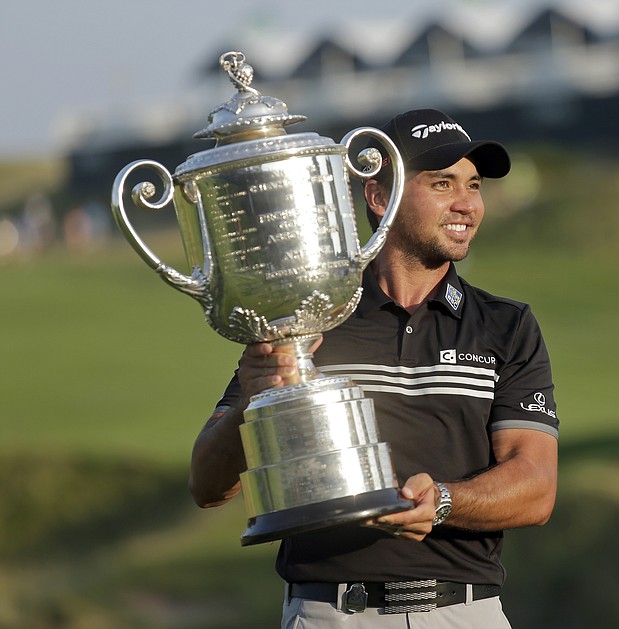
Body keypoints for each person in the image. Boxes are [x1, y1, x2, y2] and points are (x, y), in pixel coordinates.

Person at [189, 108, 559, 628]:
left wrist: (444, 502)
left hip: (464, 614)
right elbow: (208, 486)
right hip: (330, 615)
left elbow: (536, 486)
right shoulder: (307, 319)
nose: (466, 204)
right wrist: (252, 400)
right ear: (379, 197)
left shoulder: (506, 325)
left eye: (473, 186)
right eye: (442, 183)